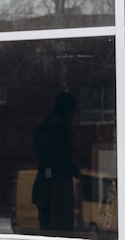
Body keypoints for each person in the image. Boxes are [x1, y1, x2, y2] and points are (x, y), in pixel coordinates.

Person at [31, 91, 80, 235]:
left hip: (51, 188)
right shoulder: (55, 129)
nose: (74, 114)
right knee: (55, 230)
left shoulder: (53, 128)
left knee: (52, 229)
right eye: (72, 109)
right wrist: (71, 169)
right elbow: (52, 159)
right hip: (53, 189)